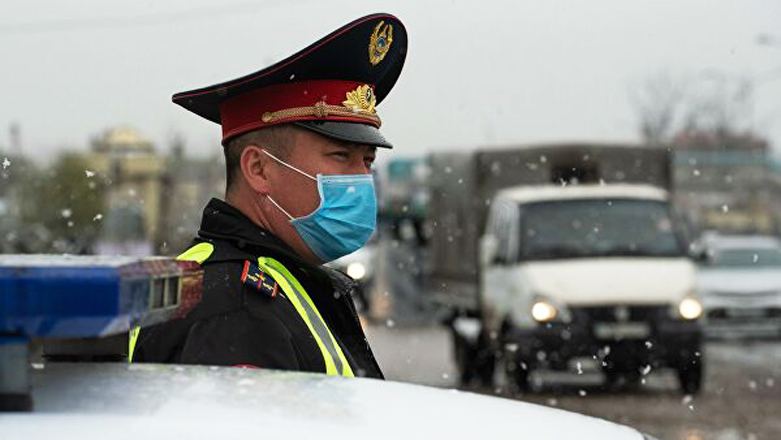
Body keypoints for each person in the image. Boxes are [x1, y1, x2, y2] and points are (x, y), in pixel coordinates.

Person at [130, 13, 407, 379]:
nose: (361, 178)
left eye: (367, 161)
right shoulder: (236, 309)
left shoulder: (271, 280)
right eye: (341, 156)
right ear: (259, 169)